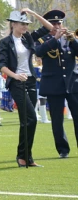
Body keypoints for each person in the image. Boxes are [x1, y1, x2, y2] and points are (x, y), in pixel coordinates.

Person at [0, 9, 52, 168]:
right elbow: (2, 65)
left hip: (30, 81)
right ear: (13, 24)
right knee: (31, 118)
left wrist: (32, 13)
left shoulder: (28, 38)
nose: (25, 27)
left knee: (27, 121)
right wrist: (15, 76)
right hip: (16, 83)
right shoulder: (6, 42)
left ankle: (26, 157)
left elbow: (49, 28)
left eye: (26, 24)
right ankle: (23, 156)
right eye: (22, 24)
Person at [34, 9, 78, 159]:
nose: (57, 25)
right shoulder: (42, 39)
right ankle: (63, 149)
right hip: (54, 84)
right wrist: (55, 38)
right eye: (53, 23)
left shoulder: (69, 37)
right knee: (57, 120)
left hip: (72, 83)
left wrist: (73, 40)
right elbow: (38, 52)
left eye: (59, 22)